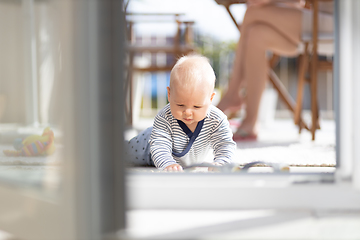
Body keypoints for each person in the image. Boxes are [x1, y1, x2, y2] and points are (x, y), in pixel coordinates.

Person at [216, 0, 333, 141]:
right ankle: (250, 122)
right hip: (315, 19)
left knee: (252, 13)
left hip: (337, 22)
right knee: (256, 35)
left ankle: (232, 94)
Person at [125, 54, 236, 172]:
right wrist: (168, 164)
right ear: (169, 94)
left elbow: (225, 144)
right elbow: (159, 146)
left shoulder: (217, 120)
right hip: (147, 144)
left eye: (197, 106)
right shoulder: (164, 117)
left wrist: (222, 162)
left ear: (210, 99)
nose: (188, 112)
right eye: (180, 105)